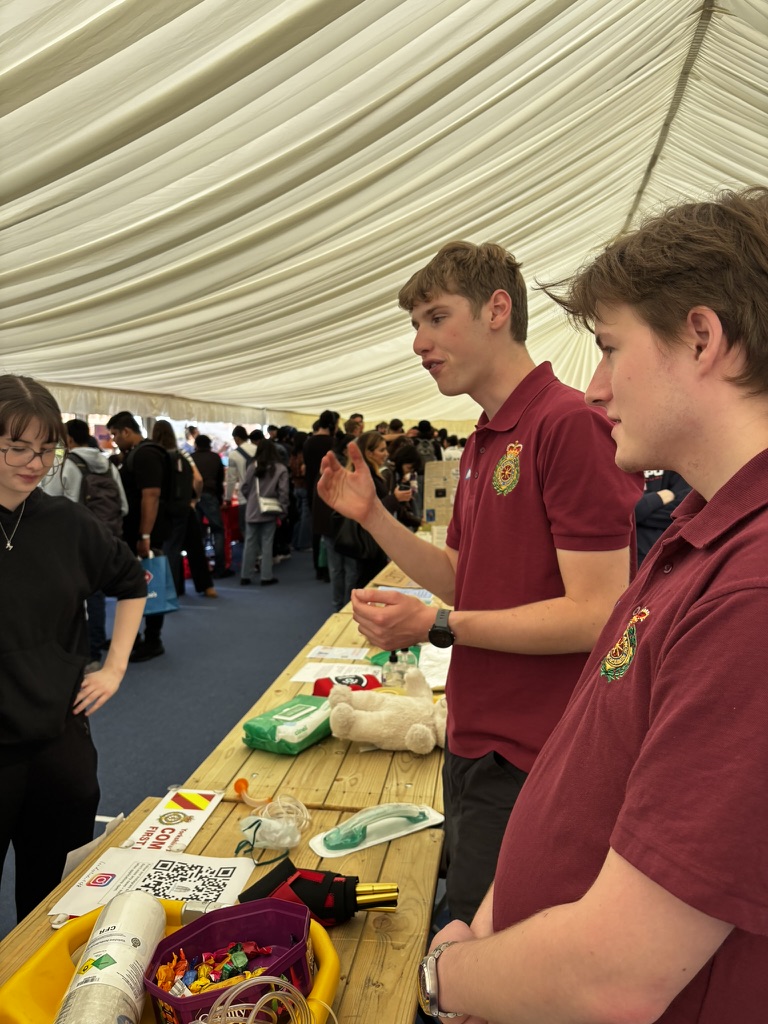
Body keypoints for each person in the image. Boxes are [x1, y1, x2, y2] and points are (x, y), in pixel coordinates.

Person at [416, 187, 768, 1022]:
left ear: (702, 338)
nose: (598, 386)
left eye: (610, 349)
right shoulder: (702, 529)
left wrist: (445, 978)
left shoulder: (752, 591)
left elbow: (619, 976)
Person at [318, 240, 641, 923]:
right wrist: (375, 516)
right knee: (463, 925)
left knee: (484, 954)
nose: (418, 342)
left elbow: (597, 614)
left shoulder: (567, 426)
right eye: (415, 324)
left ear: (499, 309)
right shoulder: (487, 438)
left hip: (538, 754)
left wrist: (435, 626)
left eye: (436, 318)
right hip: (475, 738)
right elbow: (467, 581)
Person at [0, 376, 145, 921]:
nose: (34, 462)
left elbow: (131, 583)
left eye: (46, 448)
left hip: (58, 744)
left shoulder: (67, 523)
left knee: (51, 906)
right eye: (17, 446)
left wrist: (114, 668)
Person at [41, 417, 128, 668]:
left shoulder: (66, 465)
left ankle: (77, 651)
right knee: (96, 593)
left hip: (72, 541)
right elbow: (123, 506)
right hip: (106, 537)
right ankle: (96, 646)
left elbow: (50, 504)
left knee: (72, 594)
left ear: (68, 439)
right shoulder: (108, 464)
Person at [107, 411, 173, 662]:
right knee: (131, 585)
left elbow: (151, 495)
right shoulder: (136, 454)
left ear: (126, 431)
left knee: (149, 584)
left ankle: (152, 639)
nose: (113, 439)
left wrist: (145, 535)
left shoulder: (145, 454)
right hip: (135, 533)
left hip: (144, 535)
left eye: (114, 434)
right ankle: (133, 638)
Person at [150, 420, 215, 599]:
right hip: (185, 507)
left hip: (164, 509)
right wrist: (194, 499)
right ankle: (206, 586)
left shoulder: (155, 456)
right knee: (195, 548)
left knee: (170, 548)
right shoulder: (182, 454)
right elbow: (198, 479)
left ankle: (172, 589)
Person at [240, 439, 289, 586]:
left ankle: (245, 575)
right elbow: (283, 492)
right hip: (270, 509)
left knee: (250, 542)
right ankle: (266, 576)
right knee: (267, 543)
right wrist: (283, 509)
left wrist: (252, 499)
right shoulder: (280, 468)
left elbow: (245, 487)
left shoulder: (252, 466)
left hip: (252, 508)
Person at [191, 434, 231, 579]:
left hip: (194, 497)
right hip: (210, 495)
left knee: (198, 534)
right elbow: (220, 480)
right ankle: (220, 568)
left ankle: (200, 568)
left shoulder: (191, 458)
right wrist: (221, 499)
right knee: (218, 531)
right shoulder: (215, 458)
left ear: (196, 444)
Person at [635, 469, 691, 564]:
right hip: (625, 555)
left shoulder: (676, 461)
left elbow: (685, 510)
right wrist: (658, 498)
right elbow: (612, 509)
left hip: (669, 555)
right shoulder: (616, 460)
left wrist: (635, 515)